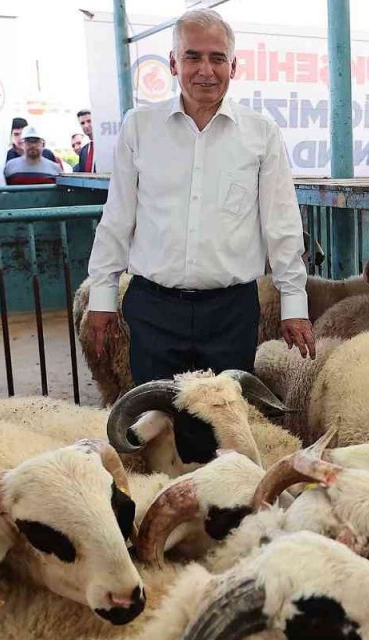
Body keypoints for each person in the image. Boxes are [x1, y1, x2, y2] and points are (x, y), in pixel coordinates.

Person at [85, 9, 314, 416]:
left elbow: (281, 224)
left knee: (222, 422)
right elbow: (117, 218)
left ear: (233, 66)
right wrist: (101, 297)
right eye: (193, 56)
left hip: (231, 313)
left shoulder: (260, 134)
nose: (205, 70)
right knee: (157, 423)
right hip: (153, 310)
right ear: (174, 63)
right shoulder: (139, 127)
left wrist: (294, 305)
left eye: (217, 58)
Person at [74, 109, 95, 173]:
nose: (86, 126)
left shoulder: (106, 146)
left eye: (89, 121)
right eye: (82, 123)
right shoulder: (83, 151)